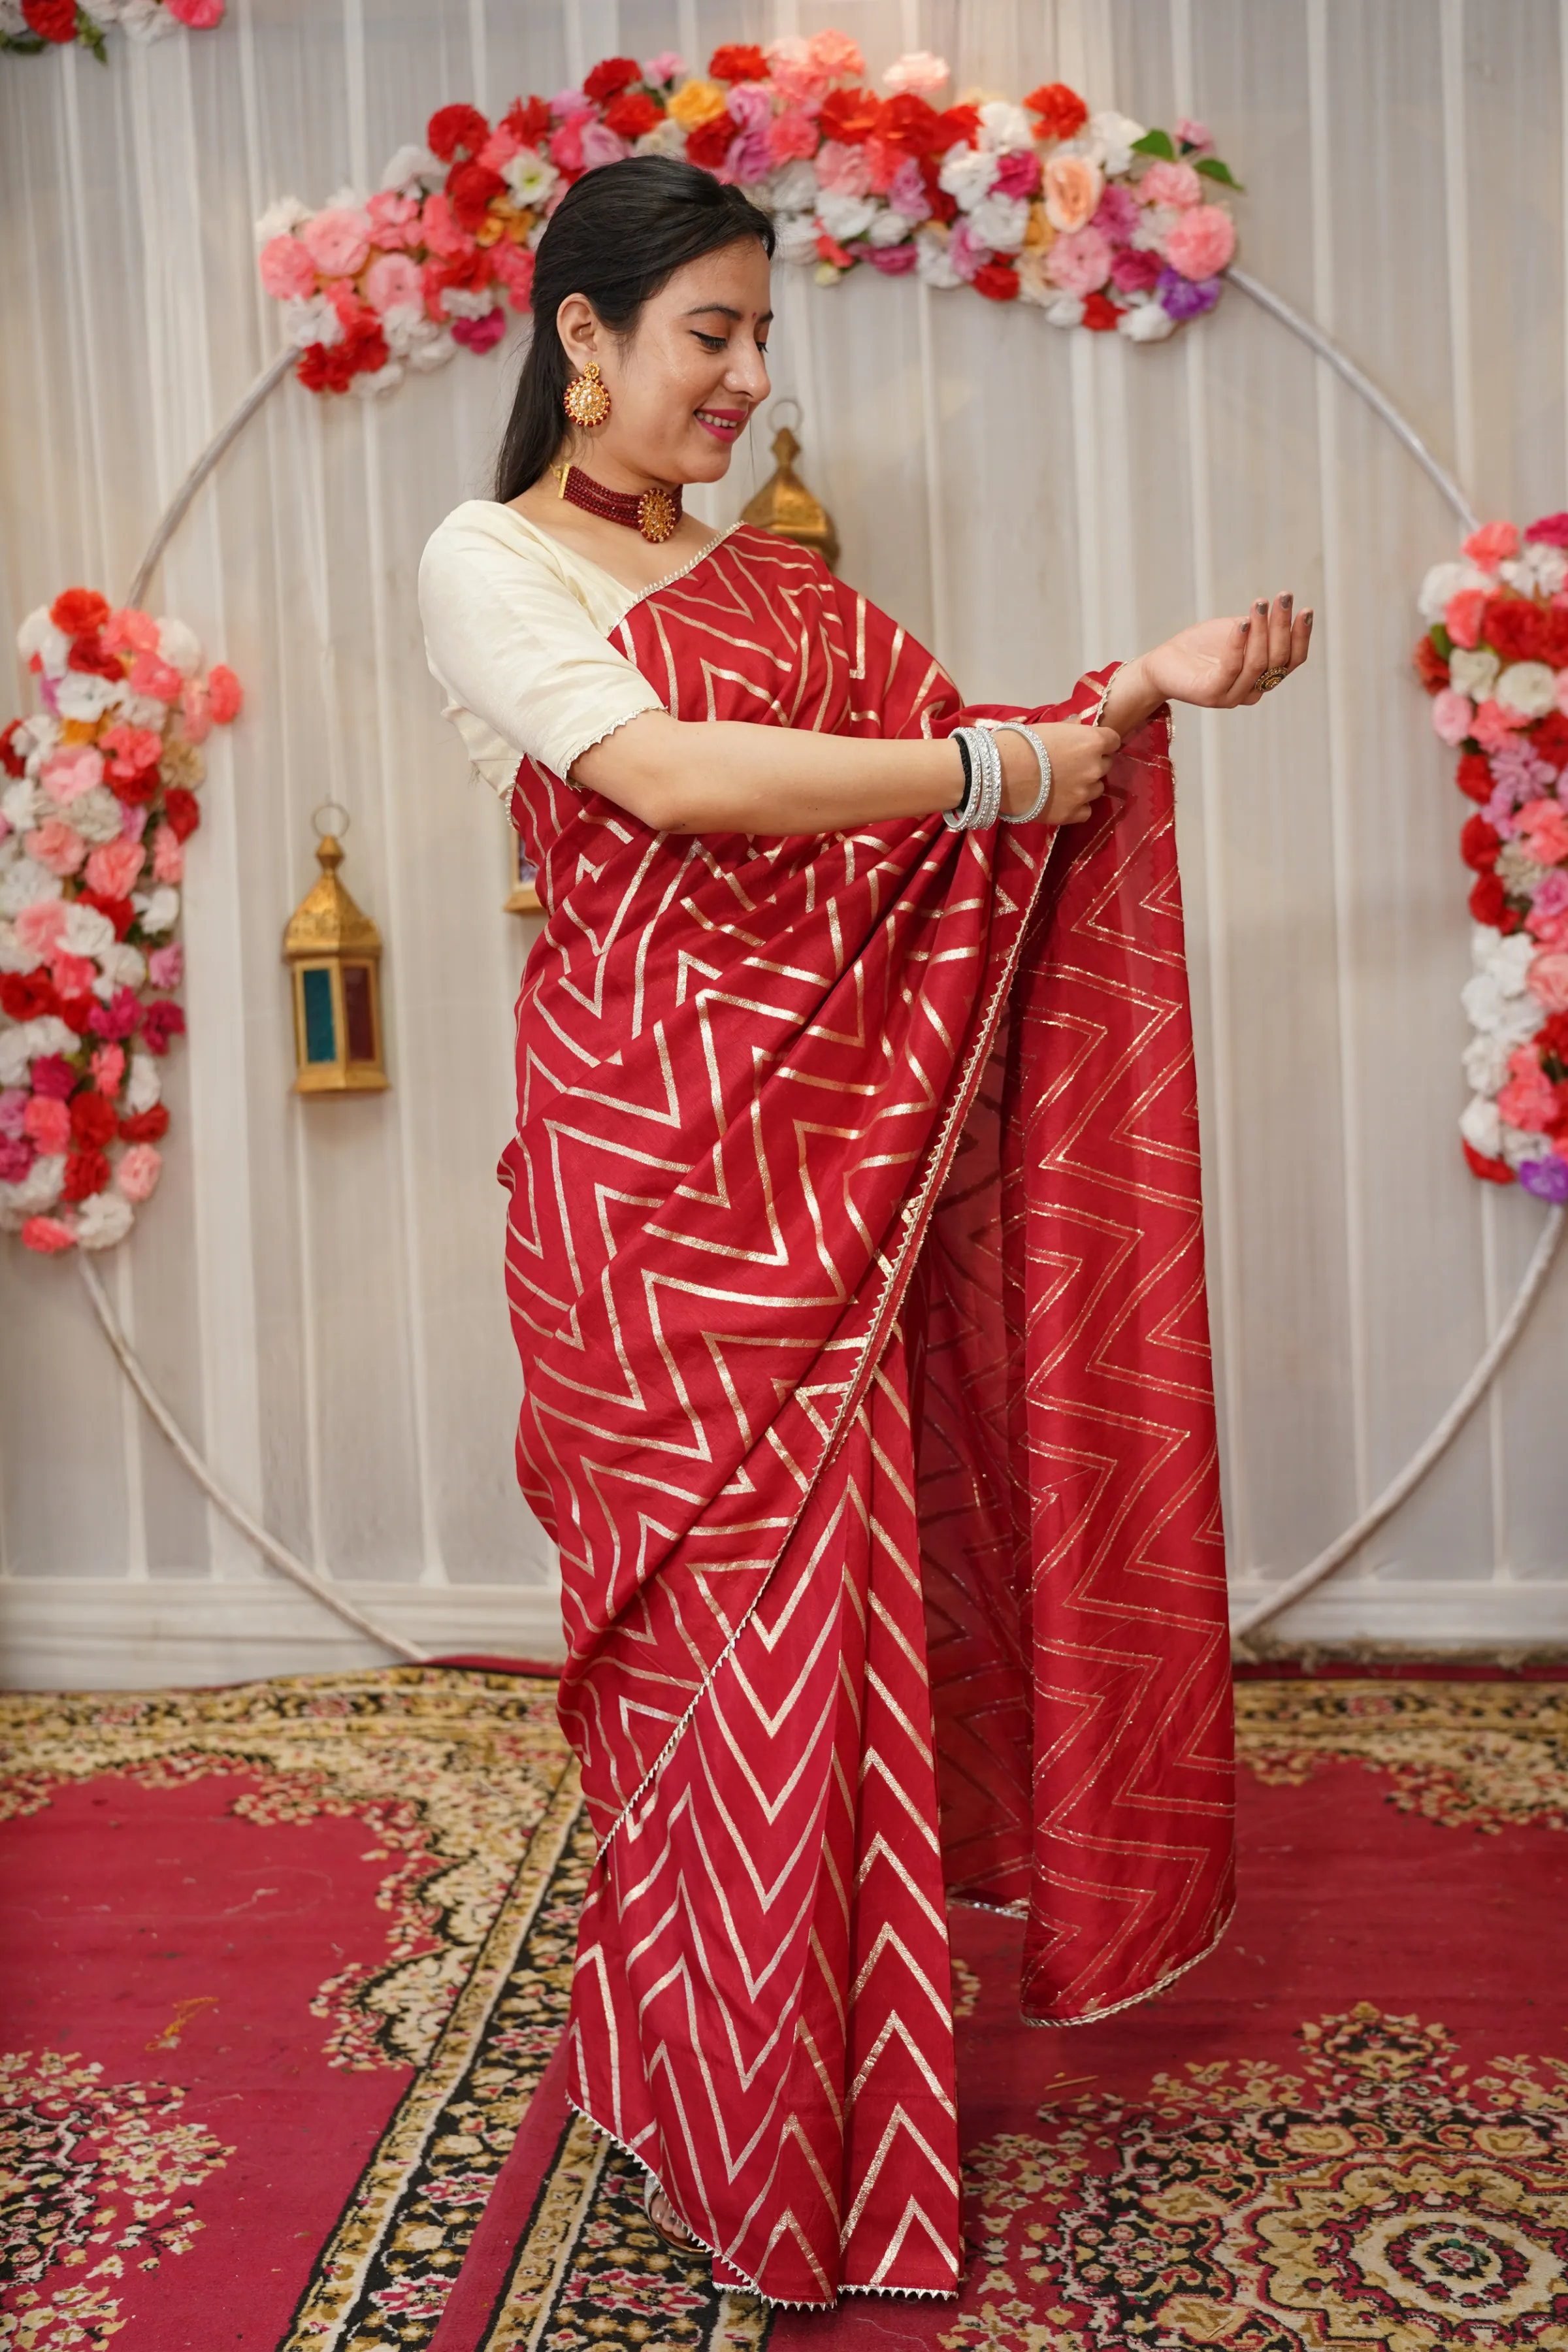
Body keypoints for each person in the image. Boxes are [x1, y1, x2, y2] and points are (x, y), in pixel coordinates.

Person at [419, 154, 1310, 2306]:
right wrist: (1005, 773)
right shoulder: (491, 558)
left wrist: (1135, 690)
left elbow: (964, 776)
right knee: (707, 1680)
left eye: (757, 335)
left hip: (811, 1190)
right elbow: (676, 786)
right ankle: (723, 2111)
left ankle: (793, 2136)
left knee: (827, 1676)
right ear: (584, 339)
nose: (742, 378)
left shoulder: (777, 593)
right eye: (706, 334)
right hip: (652, 1202)